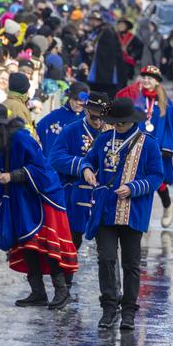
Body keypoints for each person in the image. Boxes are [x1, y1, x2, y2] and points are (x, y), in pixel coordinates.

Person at [0, 103, 78, 310]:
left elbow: (40, 167)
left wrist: (13, 175)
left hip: (41, 197)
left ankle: (62, 291)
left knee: (48, 245)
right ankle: (38, 292)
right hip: (20, 198)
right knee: (27, 244)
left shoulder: (21, 138)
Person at [81, 98, 164, 330]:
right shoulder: (104, 139)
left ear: (131, 121)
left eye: (121, 123)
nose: (117, 127)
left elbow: (157, 176)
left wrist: (133, 188)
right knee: (106, 259)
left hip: (133, 212)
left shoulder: (149, 144)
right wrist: (87, 169)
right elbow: (89, 159)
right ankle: (109, 307)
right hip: (106, 209)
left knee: (131, 264)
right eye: (114, 123)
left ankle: (128, 312)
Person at [116, 65, 173, 228]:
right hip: (135, 144)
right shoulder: (135, 97)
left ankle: (167, 205)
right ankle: (137, 216)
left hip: (157, 148)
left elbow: (172, 127)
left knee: (158, 180)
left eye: (150, 78)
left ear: (157, 81)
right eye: (144, 77)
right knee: (135, 179)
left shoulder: (166, 103)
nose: (146, 80)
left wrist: (167, 147)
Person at [48, 92, 110, 259]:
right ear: (86, 111)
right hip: (76, 196)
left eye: (102, 117)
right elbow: (54, 158)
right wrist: (82, 166)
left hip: (103, 197)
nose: (98, 122)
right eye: (94, 117)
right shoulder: (72, 130)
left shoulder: (112, 132)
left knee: (107, 251)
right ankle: (64, 274)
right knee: (70, 244)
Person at [36, 82, 90, 156]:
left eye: (81, 100)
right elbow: (36, 131)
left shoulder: (90, 118)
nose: (78, 103)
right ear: (69, 98)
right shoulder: (55, 116)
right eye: (75, 99)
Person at [87, 12, 121, 97]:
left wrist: (94, 49)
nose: (92, 22)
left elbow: (108, 49)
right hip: (98, 66)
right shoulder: (98, 31)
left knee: (103, 91)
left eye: (95, 20)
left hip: (105, 68)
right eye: (92, 20)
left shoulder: (106, 31)